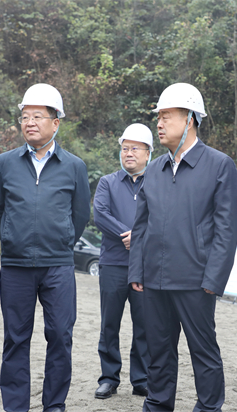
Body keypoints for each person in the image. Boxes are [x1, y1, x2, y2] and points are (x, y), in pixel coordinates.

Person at [129, 83, 237, 412]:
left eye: (166, 116)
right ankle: (157, 405)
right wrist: (137, 271)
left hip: (196, 280)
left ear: (190, 119)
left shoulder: (219, 165)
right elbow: (141, 225)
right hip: (154, 280)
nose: (159, 123)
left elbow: (227, 229)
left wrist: (213, 279)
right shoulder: (154, 169)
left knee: (203, 352)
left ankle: (208, 407)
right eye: (158, 117)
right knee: (158, 352)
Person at [0, 83, 91, 412]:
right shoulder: (5, 163)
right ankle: (16, 406)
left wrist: (62, 241)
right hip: (15, 266)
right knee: (16, 338)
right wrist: (12, 237)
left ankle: (54, 405)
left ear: (55, 122)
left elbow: (80, 214)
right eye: (24, 116)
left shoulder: (74, 166)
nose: (29, 122)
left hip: (58, 266)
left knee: (60, 335)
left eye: (37, 116)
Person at [92, 123, 153, 400]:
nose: (129, 153)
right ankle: (108, 378)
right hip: (113, 264)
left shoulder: (157, 181)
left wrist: (138, 236)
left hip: (145, 265)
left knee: (144, 325)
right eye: (125, 148)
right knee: (109, 324)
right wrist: (126, 234)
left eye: (135, 148)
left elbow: (164, 216)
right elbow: (100, 214)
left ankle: (141, 379)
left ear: (148, 152)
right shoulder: (108, 182)